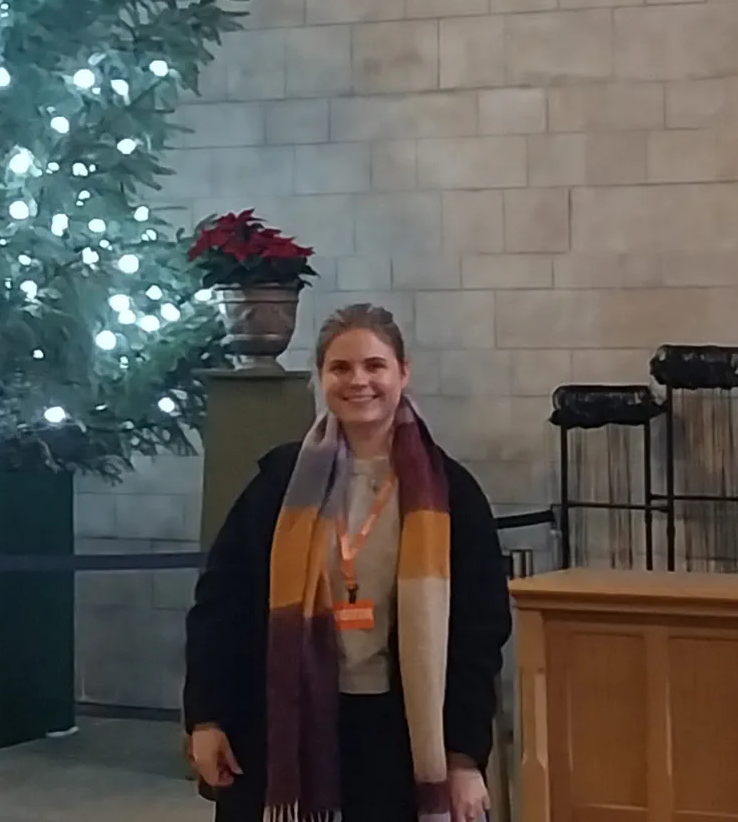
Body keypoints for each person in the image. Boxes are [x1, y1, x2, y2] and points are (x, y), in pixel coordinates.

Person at [184, 302, 510, 822]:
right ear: (321, 378)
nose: (358, 381)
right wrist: (206, 718)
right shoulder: (278, 485)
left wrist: (463, 757)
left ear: (402, 373)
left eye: (374, 366)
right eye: (340, 368)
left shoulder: (451, 494)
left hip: (396, 736)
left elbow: (478, 634)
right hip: (284, 728)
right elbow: (220, 607)